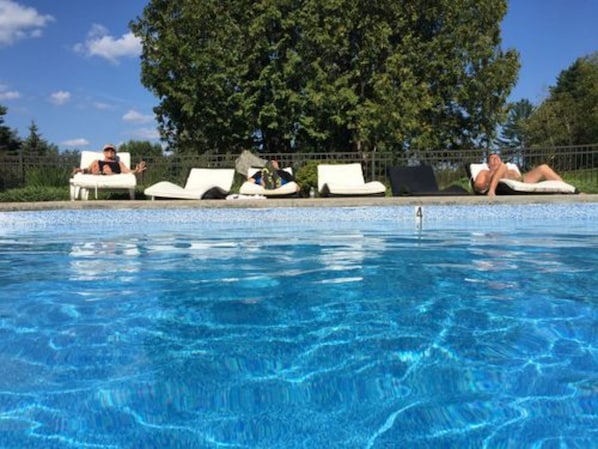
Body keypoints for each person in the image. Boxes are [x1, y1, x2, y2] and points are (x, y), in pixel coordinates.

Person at [473, 153, 563, 196]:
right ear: (488, 164)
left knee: (543, 167)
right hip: (497, 188)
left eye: (497, 158)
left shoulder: (510, 169)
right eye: (493, 158)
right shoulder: (484, 172)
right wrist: (489, 180)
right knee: (503, 167)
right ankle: (492, 191)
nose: (496, 159)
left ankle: (567, 189)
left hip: (519, 183)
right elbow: (478, 186)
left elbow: (519, 178)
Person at [73, 144, 147, 175]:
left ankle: (106, 173)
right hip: (99, 175)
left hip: (113, 175)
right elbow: (88, 170)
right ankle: (103, 173)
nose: (110, 151)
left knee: (107, 171)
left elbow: (127, 171)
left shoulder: (119, 163)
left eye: (112, 150)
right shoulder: (97, 162)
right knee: (96, 169)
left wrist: (136, 171)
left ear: (115, 153)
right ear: (104, 153)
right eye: (107, 150)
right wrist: (80, 170)